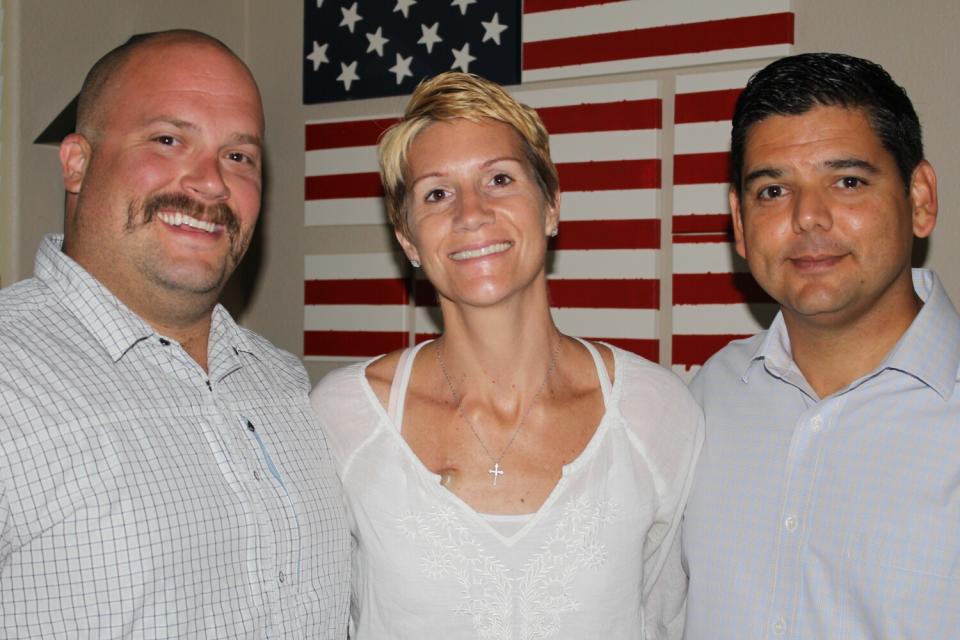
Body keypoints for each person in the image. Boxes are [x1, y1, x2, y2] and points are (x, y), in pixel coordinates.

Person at [309, 71, 703, 639]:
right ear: (408, 240)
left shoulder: (656, 413)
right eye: (437, 193)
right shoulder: (342, 419)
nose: (471, 213)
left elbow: (666, 618)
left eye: (499, 178)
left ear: (551, 207)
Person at [0, 30, 349, 637]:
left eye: (239, 156)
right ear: (77, 162)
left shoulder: (285, 383)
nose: (211, 183)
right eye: (168, 140)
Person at [682, 52, 960, 639]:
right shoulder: (703, 401)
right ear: (738, 221)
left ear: (921, 199)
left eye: (848, 181)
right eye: (774, 190)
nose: (808, 217)